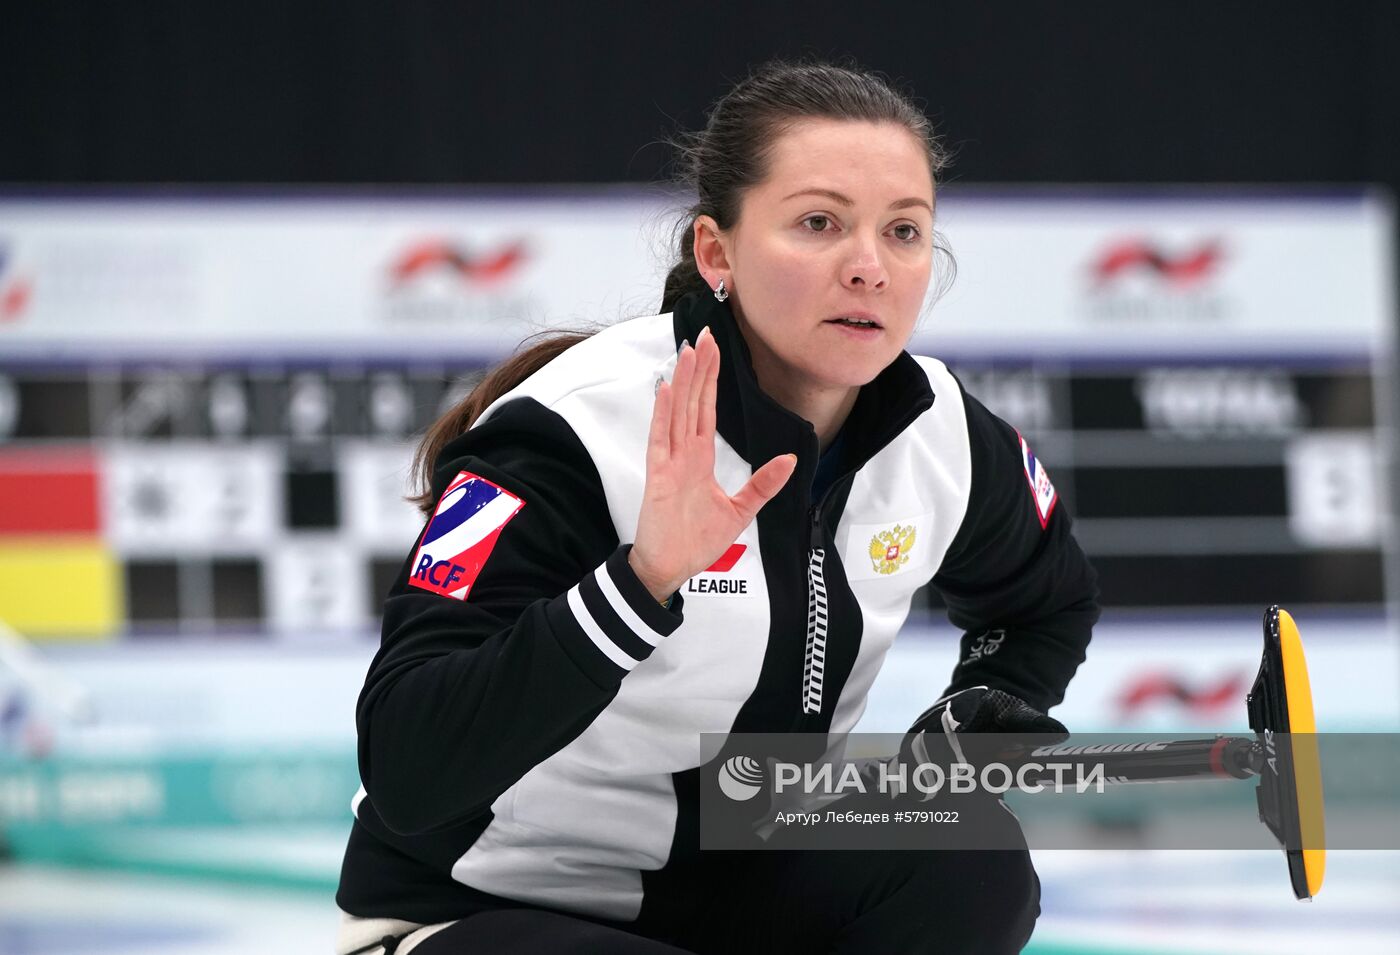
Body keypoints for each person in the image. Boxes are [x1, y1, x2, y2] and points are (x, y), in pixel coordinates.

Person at [335, 59, 1099, 954]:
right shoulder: (567, 431)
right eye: (819, 223)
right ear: (716, 252)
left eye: (904, 232)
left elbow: (1045, 601)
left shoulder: (942, 432)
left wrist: (986, 700)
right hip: (482, 906)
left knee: (968, 864)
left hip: (740, 894)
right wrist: (639, 583)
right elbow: (408, 766)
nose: (869, 267)